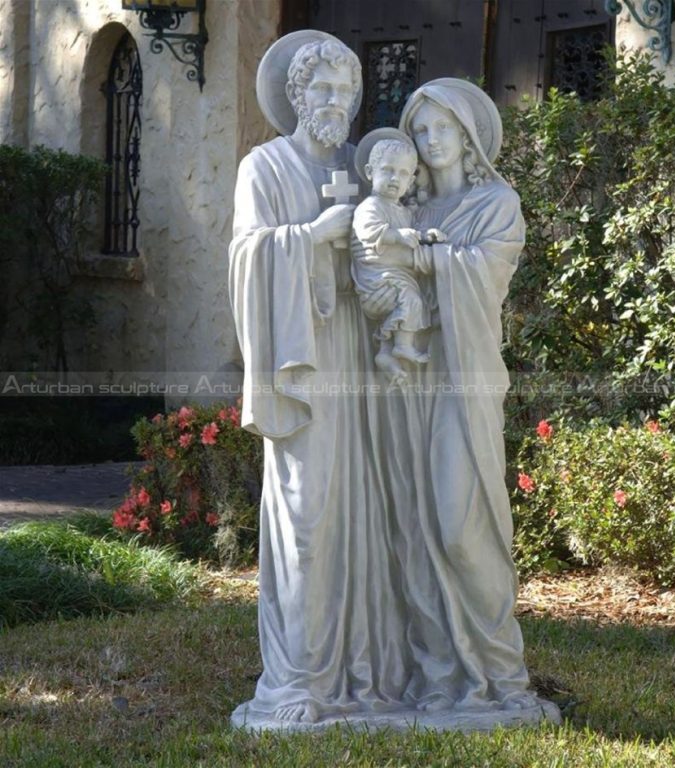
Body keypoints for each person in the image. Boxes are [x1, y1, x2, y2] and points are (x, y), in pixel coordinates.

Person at [228, 31, 406, 728]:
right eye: (322, 89)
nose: (336, 101)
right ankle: (298, 676)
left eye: (345, 90)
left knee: (366, 510)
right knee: (307, 513)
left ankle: (365, 670)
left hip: (359, 359)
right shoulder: (263, 167)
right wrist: (313, 235)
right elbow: (246, 256)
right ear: (296, 95)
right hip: (302, 366)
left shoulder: (365, 168)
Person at [364, 79, 558, 719]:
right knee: (413, 527)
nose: (431, 140)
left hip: (462, 378)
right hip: (405, 383)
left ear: (469, 135)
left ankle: (499, 675)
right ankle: (439, 675)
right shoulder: (405, 212)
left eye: (443, 128)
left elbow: (483, 276)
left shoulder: (497, 204)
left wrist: (420, 261)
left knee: (458, 522)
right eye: (420, 131)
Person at [351, 131, 445, 375]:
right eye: (388, 170)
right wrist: (398, 236)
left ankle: (385, 352)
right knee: (410, 300)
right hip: (375, 278)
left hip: (394, 274)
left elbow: (413, 233)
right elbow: (368, 233)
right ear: (370, 172)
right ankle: (403, 346)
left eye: (403, 174)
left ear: (410, 181)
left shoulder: (402, 211)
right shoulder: (369, 207)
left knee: (410, 300)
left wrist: (426, 235)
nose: (395, 178)